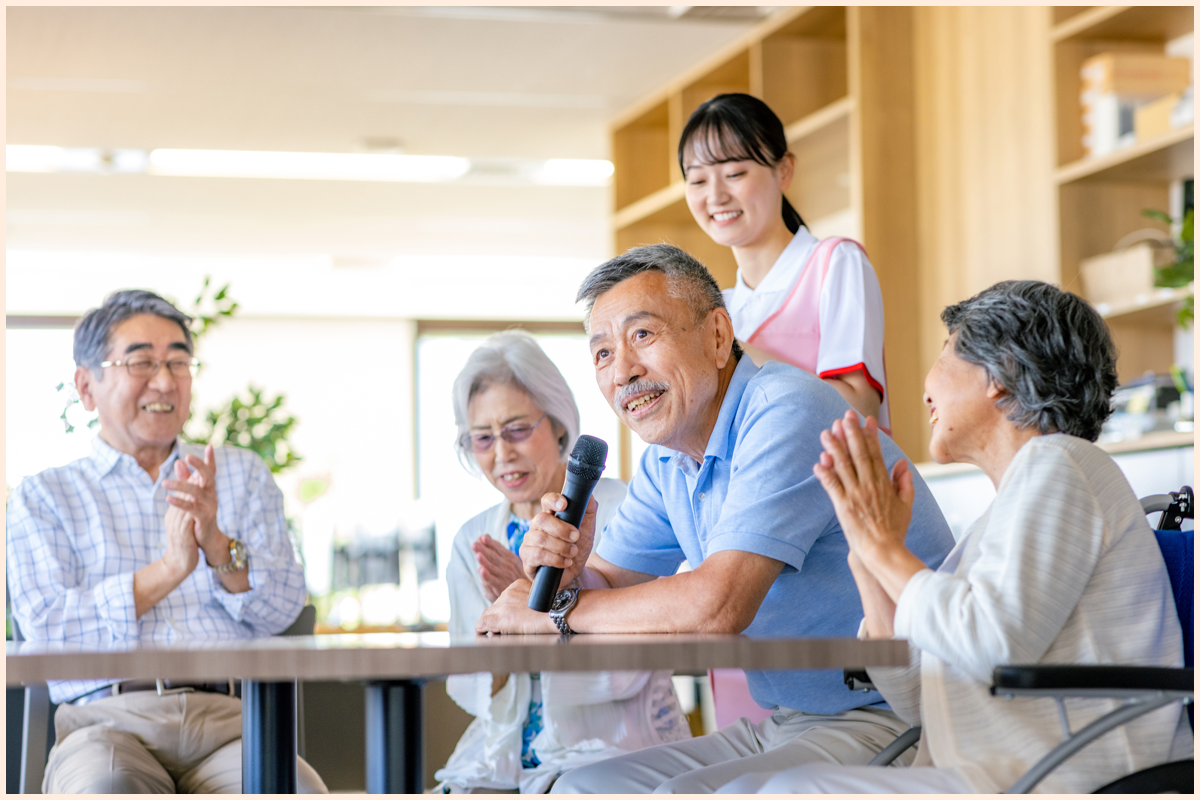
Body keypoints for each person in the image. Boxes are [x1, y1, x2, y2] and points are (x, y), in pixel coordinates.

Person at [475, 245, 955, 793]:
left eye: (642, 335)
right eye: (603, 353)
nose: (623, 370)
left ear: (719, 337)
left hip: (896, 715)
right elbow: (607, 581)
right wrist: (566, 576)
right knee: (577, 788)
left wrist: (556, 615)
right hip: (791, 719)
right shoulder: (667, 457)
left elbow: (718, 604)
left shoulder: (784, 409)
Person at [719, 281, 1193, 794]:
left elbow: (992, 645)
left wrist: (886, 549)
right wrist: (866, 553)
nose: (926, 388)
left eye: (947, 351)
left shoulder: (1062, 464)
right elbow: (918, 699)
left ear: (1001, 373)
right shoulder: (1005, 512)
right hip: (986, 776)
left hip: (1062, 779)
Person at [6, 289, 327, 794]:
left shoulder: (240, 473)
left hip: (233, 722)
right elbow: (45, 630)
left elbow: (285, 611)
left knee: (297, 790)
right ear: (86, 387)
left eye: (178, 362)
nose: (164, 381)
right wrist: (168, 570)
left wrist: (217, 547)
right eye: (141, 362)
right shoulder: (44, 496)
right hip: (104, 725)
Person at [435, 330, 691, 793]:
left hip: (616, 744)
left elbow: (630, 669)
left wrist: (538, 610)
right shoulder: (473, 539)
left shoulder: (625, 510)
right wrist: (504, 628)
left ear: (557, 425)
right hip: (502, 754)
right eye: (483, 438)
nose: (502, 453)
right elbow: (472, 687)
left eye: (516, 430)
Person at [681, 93, 890, 429]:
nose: (716, 196)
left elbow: (859, 410)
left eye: (734, 173)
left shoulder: (835, 263)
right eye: (698, 180)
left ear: (784, 171)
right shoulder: (722, 307)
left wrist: (732, 349)